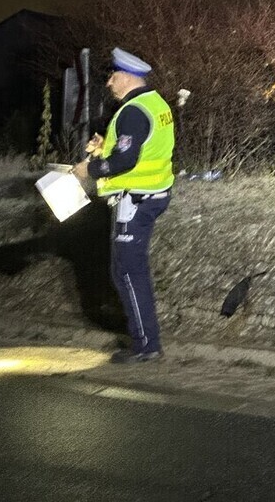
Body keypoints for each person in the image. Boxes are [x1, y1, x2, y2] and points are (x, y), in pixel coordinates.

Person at [74, 47, 175, 363]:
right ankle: (146, 341)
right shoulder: (155, 103)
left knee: (128, 272)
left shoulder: (132, 111)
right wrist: (106, 146)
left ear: (128, 77)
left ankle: (146, 346)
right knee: (130, 270)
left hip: (135, 200)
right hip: (152, 194)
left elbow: (126, 160)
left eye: (113, 77)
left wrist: (89, 169)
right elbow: (144, 146)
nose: (109, 83)